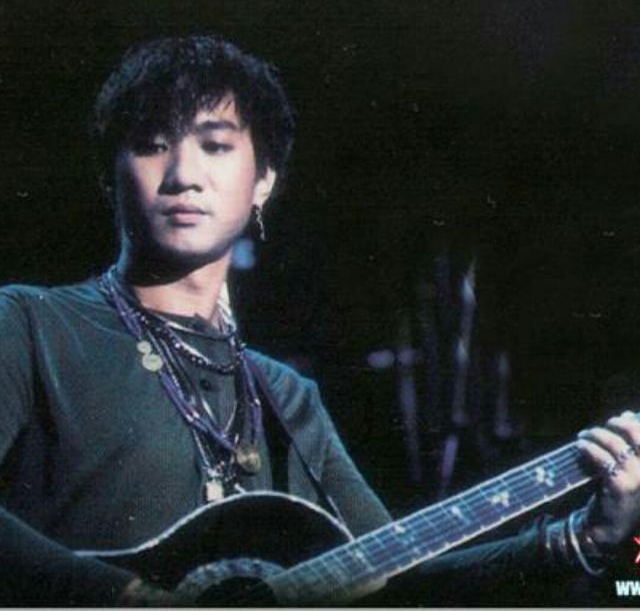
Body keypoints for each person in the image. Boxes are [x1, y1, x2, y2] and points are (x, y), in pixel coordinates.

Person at [1, 34, 640, 607]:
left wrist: (581, 538)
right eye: (151, 145)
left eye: (216, 146)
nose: (184, 176)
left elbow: (398, 580)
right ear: (110, 176)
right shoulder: (30, 324)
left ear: (263, 181)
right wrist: (124, 597)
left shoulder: (286, 396)